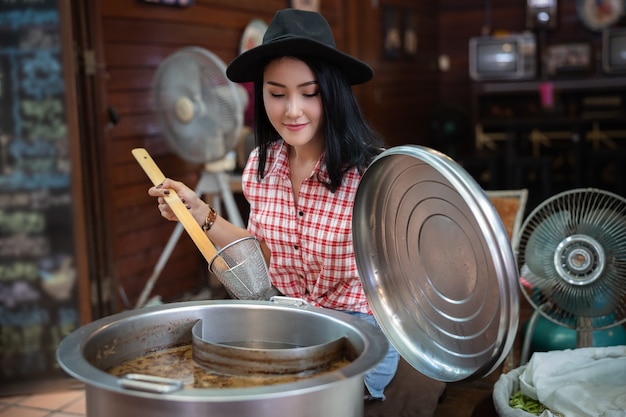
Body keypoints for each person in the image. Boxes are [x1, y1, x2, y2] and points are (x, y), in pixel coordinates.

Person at [148, 8, 399, 401]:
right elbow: (262, 251)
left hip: (357, 335)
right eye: (277, 94)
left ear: (331, 93)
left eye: (309, 93)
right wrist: (199, 212)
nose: (292, 110)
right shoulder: (262, 166)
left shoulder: (370, 174)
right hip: (287, 324)